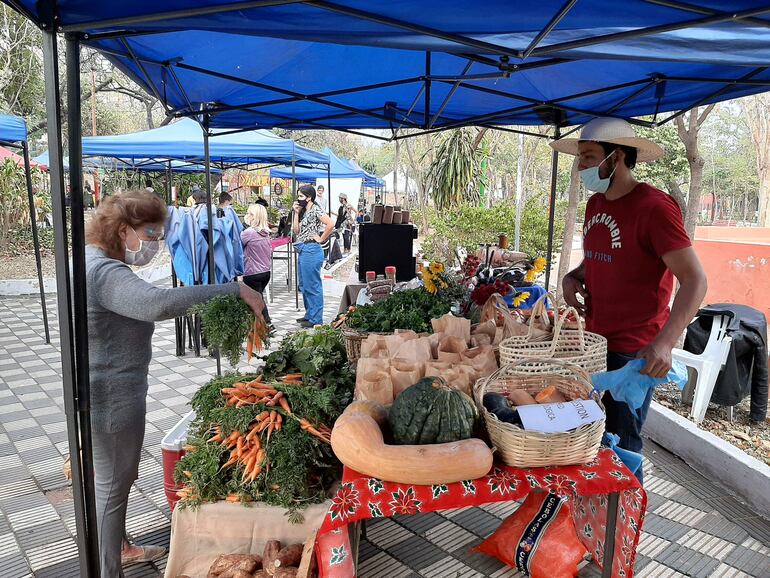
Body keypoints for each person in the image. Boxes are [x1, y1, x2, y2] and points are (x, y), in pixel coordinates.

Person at [84, 190, 265, 577]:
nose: (152, 244)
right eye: (148, 235)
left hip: (107, 392)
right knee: (112, 487)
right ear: (122, 230)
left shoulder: (90, 261)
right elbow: (157, 304)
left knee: (117, 478)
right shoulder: (103, 272)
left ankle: (120, 547)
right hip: (113, 399)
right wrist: (234, 289)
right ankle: (107, 568)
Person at [555, 117, 707, 481]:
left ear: (617, 157)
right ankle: (588, 523)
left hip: (634, 354)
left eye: (589, 157)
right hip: (593, 343)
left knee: (622, 446)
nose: (582, 167)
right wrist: (574, 275)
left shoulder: (655, 207)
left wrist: (665, 344)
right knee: (586, 438)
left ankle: (621, 531)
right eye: (580, 158)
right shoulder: (595, 205)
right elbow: (602, 255)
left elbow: (695, 280)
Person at [292, 185, 334, 328]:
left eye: (301, 196)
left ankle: (316, 319)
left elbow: (330, 224)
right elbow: (296, 230)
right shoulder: (304, 211)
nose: (299, 199)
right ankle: (309, 314)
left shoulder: (316, 209)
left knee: (313, 285)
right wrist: (296, 213)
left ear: (309, 197)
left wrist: (321, 238)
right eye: (298, 196)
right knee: (304, 285)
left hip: (312, 250)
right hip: (304, 249)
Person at [241, 203, 273, 323]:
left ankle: (267, 324)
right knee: (258, 298)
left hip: (252, 273)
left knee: (256, 300)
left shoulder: (249, 232)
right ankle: (258, 324)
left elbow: (236, 245)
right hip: (265, 272)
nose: (247, 216)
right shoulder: (266, 233)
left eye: (249, 214)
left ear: (255, 217)